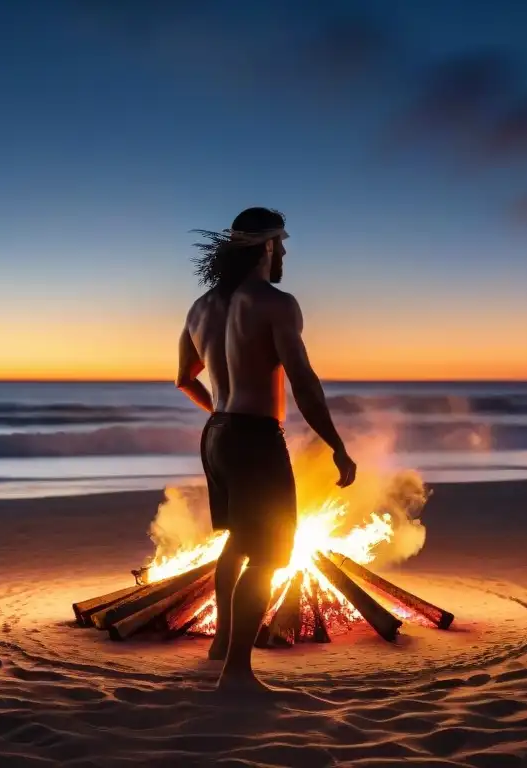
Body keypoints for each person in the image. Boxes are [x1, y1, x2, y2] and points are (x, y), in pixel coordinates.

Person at [175, 207, 357, 695]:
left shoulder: (200, 308)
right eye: (284, 243)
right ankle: (236, 672)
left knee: (238, 542)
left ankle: (220, 649)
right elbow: (303, 381)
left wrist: (222, 412)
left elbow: (182, 380)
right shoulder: (276, 303)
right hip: (255, 440)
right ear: (269, 245)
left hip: (216, 436)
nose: (286, 253)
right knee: (272, 554)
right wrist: (337, 446)